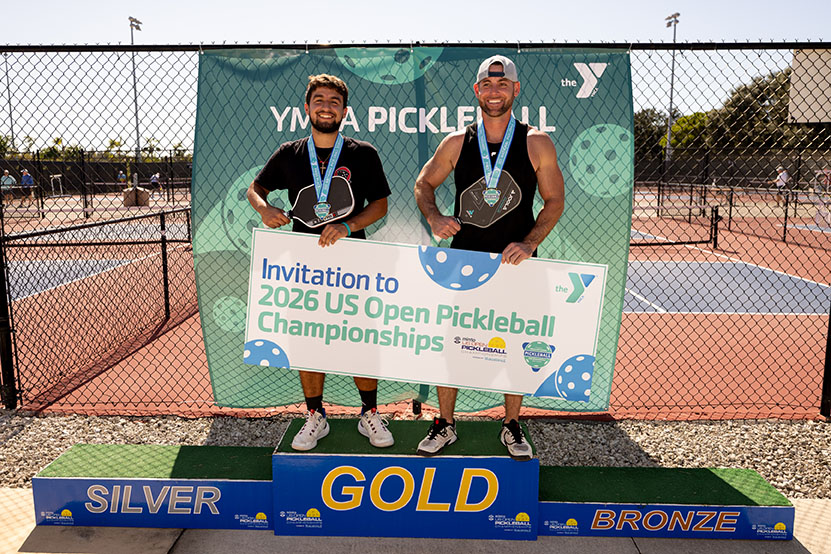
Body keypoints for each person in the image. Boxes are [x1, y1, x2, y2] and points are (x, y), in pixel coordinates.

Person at [413, 55, 565, 461]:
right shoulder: (456, 142)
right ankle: (445, 423)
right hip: (465, 263)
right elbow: (424, 183)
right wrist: (434, 216)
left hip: (516, 265)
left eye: (503, 84)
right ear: (476, 91)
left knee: (516, 344)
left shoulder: (536, 142)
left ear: (516, 89)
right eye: (487, 84)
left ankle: (511, 424)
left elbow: (554, 200)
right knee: (450, 345)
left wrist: (530, 242)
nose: (494, 91)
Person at [247, 74, 394, 452]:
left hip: (354, 262)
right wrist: (264, 209)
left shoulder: (363, 153)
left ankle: (369, 413)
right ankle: (316, 415)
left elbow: (380, 205)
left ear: (344, 111)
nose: (326, 107)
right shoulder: (289, 153)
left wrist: (347, 225)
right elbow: (256, 189)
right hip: (305, 264)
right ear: (307, 108)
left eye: (333, 102)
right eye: (319, 100)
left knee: (361, 338)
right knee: (308, 339)